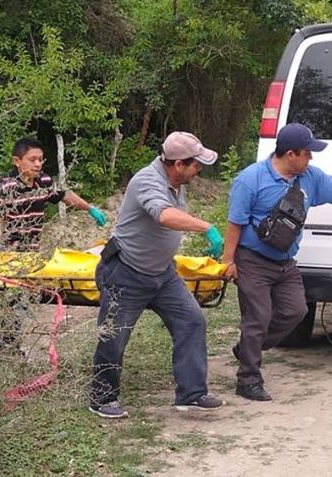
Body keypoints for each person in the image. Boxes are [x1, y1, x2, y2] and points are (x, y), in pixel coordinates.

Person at [221, 123, 332, 402]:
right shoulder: (251, 179)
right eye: (307, 153)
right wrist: (228, 261)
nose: (311, 158)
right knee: (257, 318)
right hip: (253, 260)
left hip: (285, 262)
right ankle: (248, 380)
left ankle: (248, 347)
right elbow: (235, 223)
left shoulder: (309, 177)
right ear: (290, 154)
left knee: (295, 311)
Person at [89, 131, 225, 418]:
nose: (199, 170)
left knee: (192, 321)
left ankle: (191, 394)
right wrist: (207, 227)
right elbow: (163, 215)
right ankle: (102, 399)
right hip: (126, 272)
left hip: (163, 274)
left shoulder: (176, 181)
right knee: (114, 336)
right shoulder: (147, 180)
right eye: (196, 164)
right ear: (178, 164)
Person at [0, 137, 106, 353]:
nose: (37, 164)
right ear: (17, 161)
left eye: (40, 160)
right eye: (32, 160)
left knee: (21, 298)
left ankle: (8, 342)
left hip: (32, 252)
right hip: (10, 253)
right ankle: (7, 344)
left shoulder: (43, 181)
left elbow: (65, 196)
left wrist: (89, 209)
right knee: (13, 298)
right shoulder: (5, 186)